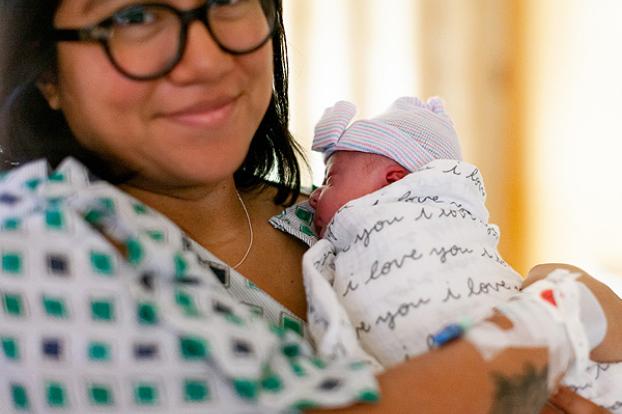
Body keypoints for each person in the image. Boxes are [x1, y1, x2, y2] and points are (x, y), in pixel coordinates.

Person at [0, 1, 620, 412]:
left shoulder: (335, 216)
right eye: (134, 15)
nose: (205, 59)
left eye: (225, 1)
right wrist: (564, 315)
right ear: (47, 73)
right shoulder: (32, 249)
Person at [304, 97, 621, 409]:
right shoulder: (337, 247)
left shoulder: (421, 220)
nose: (314, 197)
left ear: (395, 182)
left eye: (330, 180)